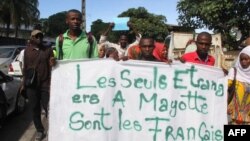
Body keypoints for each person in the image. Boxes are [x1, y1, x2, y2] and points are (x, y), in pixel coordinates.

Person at [22, 29, 54, 141]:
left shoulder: (48, 50)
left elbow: (52, 67)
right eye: (36, 36)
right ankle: (40, 131)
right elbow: (25, 68)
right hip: (32, 85)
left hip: (46, 84)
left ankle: (53, 130)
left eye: (40, 36)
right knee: (35, 109)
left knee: (49, 109)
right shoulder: (27, 51)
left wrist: (52, 83)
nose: (39, 38)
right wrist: (23, 85)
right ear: (32, 38)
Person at [227, 46, 250, 125]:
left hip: (248, 115)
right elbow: (224, 88)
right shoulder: (233, 72)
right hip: (234, 115)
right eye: (241, 59)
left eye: (246, 59)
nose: (243, 62)